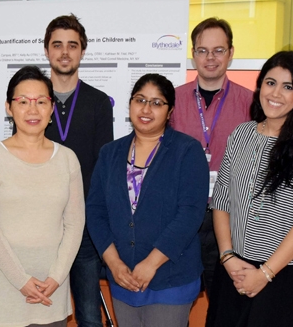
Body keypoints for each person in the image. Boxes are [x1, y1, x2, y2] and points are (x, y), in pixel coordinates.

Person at [208, 51, 293, 327]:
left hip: (285, 277)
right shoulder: (241, 134)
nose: (275, 93)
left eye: (288, 87)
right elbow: (221, 203)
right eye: (270, 82)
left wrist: (264, 274)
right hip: (235, 271)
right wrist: (228, 257)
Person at [86, 73, 206, 327]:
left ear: (170, 110)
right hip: (123, 277)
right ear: (130, 104)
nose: (146, 109)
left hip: (170, 276)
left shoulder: (187, 151)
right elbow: (95, 211)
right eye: (140, 100)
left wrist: (151, 264)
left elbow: (191, 213)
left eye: (156, 103)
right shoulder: (110, 153)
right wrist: (113, 263)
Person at [0, 66, 85, 327]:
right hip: (5, 283)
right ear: (9, 108)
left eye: (41, 102)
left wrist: (56, 278)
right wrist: (21, 280)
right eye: (23, 101)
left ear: (51, 108)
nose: (32, 110)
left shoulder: (67, 159)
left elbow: (75, 223)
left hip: (51, 287)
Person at [168, 17, 253, 304]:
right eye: (203, 50)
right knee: (178, 302)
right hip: (182, 216)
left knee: (226, 303)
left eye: (218, 50)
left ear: (231, 53)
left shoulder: (252, 103)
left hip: (231, 220)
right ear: (193, 54)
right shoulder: (172, 101)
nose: (210, 58)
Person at [42, 14, 113, 327]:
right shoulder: (33, 100)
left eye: (72, 45)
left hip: (82, 227)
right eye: (57, 45)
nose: (65, 52)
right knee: (41, 310)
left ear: (83, 51)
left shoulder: (98, 102)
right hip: (39, 226)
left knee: (87, 313)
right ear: (47, 51)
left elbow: (102, 168)